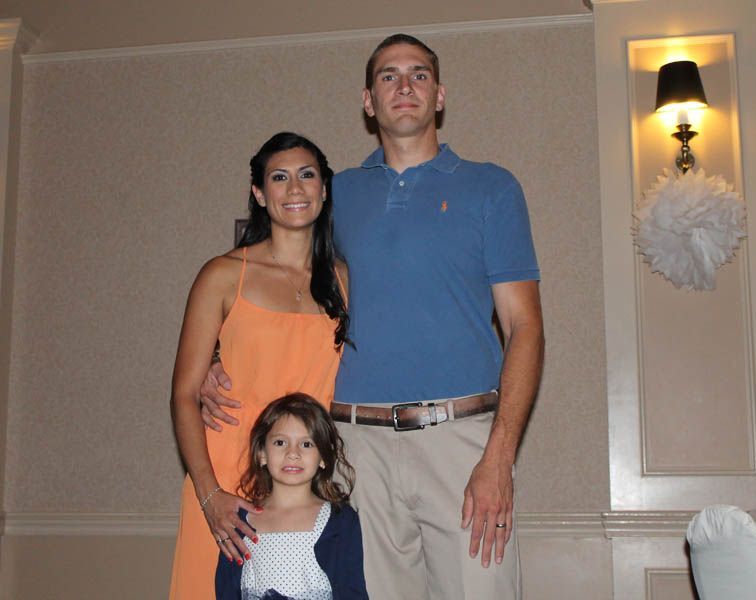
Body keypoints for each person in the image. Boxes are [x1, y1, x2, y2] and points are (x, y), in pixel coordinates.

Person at [202, 34, 544, 599]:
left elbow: (526, 328)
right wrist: (219, 355)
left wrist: (499, 457)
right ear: (368, 101)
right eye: (388, 76)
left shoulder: (492, 188)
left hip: (460, 443)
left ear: (439, 96)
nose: (404, 86)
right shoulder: (335, 195)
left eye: (417, 74)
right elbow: (273, 275)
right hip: (353, 451)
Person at [168, 132, 349, 599]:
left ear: (324, 190)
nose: (294, 189)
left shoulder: (345, 281)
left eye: (307, 175)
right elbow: (184, 394)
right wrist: (210, 497)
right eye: (280, 177)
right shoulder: (223, 274)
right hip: (226, 473)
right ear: (259, 193)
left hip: (306, 474)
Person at [215, 393, 368, 600]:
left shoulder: (340, 521)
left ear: (323, 457)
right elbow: (226, 590)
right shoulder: (240, 522)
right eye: (280, 443)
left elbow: (352, 591)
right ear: (261, 453)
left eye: (306, 444)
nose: (292, 453)